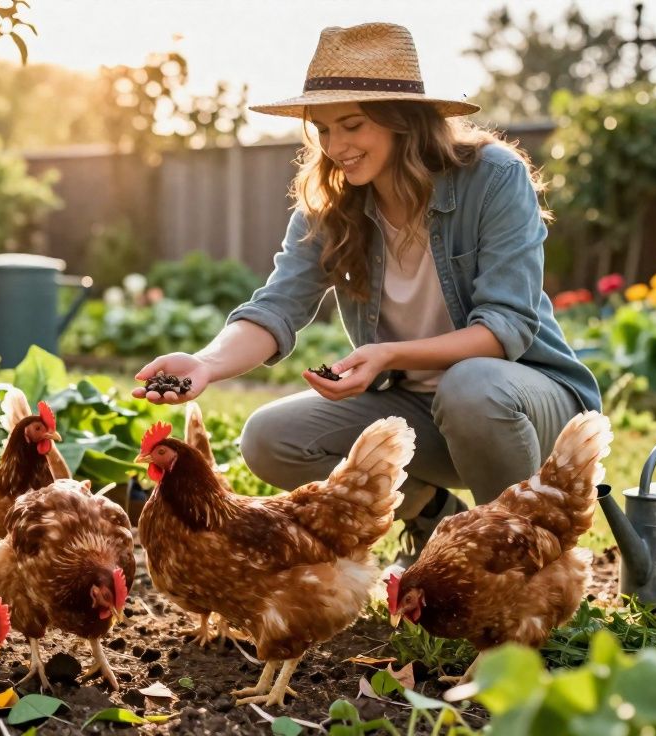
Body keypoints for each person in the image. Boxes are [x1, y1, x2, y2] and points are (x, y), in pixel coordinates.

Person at [130, 22, 601, 567]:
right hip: (423, 411)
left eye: (352, 125)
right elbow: (278, 306)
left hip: (527, 407)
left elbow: (505, 329)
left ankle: (520, 558)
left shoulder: (493, 178)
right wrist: (207, 364)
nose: (335, 148)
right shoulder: (333, 203)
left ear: (403, 119)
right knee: (270, 437)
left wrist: (389, 354)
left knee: (470, 385)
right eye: (323, 129)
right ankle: (431, 514)